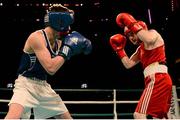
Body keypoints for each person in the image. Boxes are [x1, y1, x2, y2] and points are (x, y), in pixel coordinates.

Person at [5, 4, 92, 119]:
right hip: (25, 85)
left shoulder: (59, 42)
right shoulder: (36, 37)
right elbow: (51, 68)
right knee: (13, 117)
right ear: (59, 22)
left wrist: (81, 47)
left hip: (43, 86)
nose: (69, 29)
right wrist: (67, 49)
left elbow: (65, 57)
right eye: (68, 24)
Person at [109, 12, 172, 119]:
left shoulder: (153, 33)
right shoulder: (140, 49)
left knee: (138, 115)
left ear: (140, 29)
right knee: (159, 117)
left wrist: (131, 24)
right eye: (128, 36)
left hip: (157, 79)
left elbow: (149, 39)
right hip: (157, 79)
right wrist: (119, 50)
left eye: (132, 34)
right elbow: (128, 64)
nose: (131, 38)